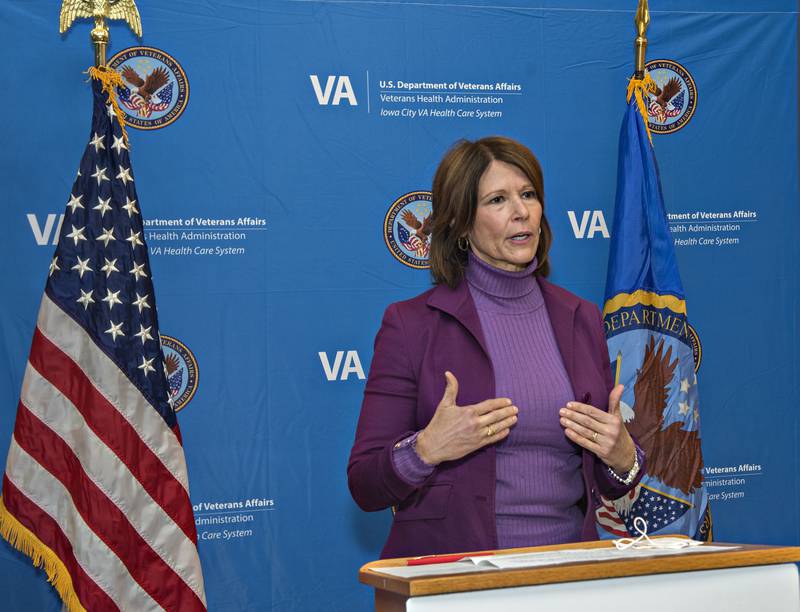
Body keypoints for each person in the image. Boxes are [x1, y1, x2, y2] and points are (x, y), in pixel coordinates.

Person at [347, 136, 644, 559]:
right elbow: (365, 484)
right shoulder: (411, 325)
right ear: (462, 223)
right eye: (498, 200)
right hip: (454, 580)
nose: (521, 211)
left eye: (528, 195)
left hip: (570, 575)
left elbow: (612, 479)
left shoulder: (580, 317)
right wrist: (427, 448)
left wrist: (623, 455)